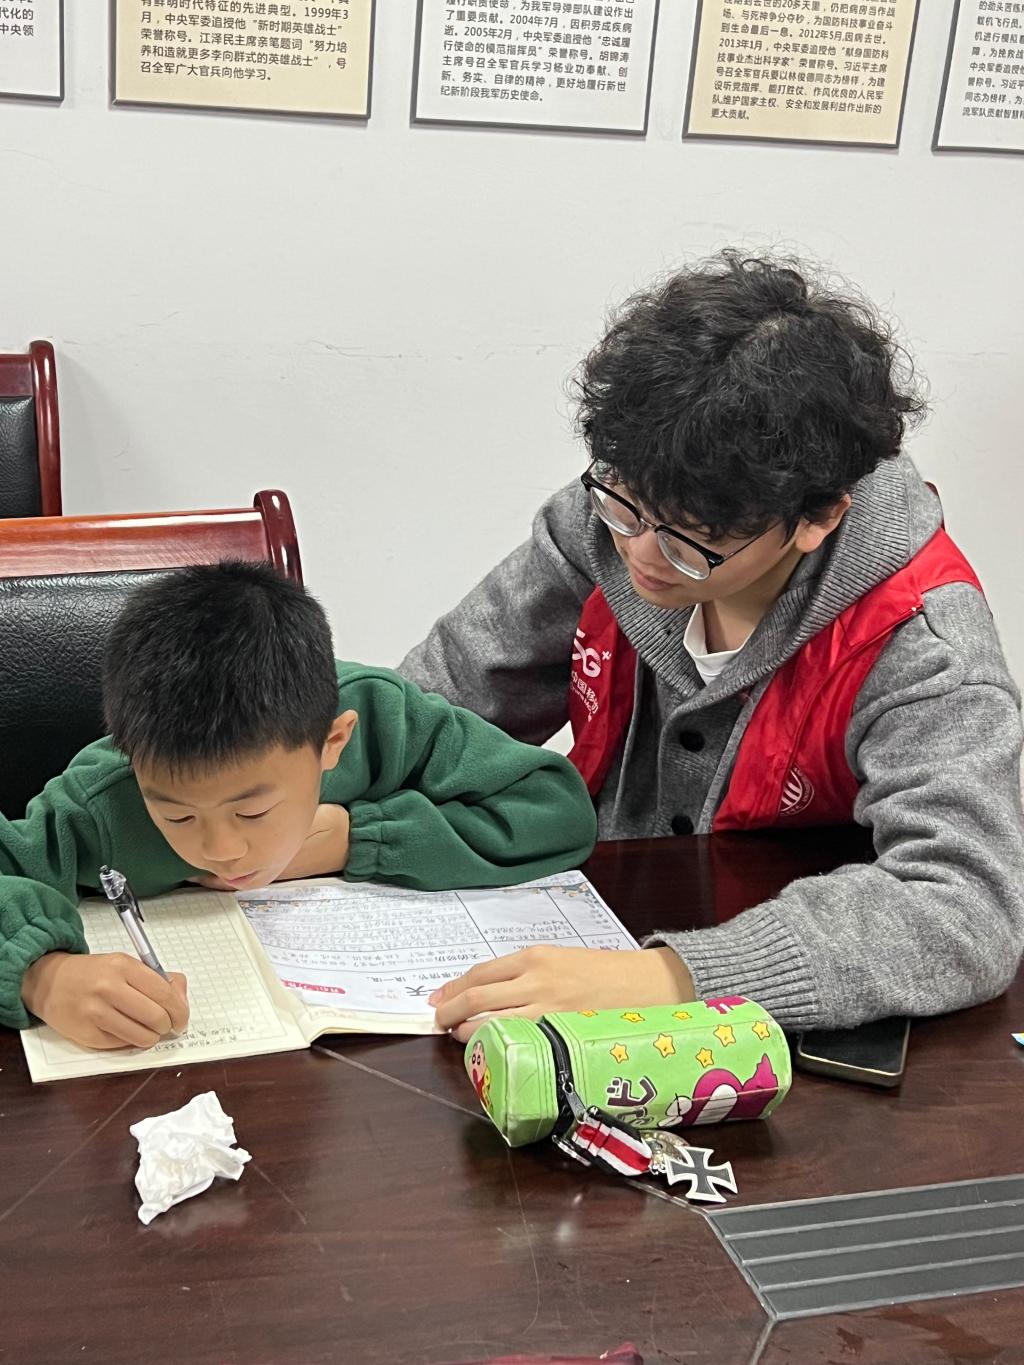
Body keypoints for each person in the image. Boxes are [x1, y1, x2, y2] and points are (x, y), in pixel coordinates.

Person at [401, 250, 1024, 1042]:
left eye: (693, 541)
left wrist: (670, 978)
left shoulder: (921, 641)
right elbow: (441, 696)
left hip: (780, 1036)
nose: (640, 554)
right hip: (584, 942)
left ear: (818, 516)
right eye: (626, 505)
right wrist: (316, 801)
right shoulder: (617, 515)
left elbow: (967, 906)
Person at [0, 562, 597, 1049]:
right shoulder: (101, 801)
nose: (221, 849)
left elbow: (555, 809)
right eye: (178, 816)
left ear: (332, 743)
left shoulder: (384, 719)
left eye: (252, 813)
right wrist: (41, 975)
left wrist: (358, 838)